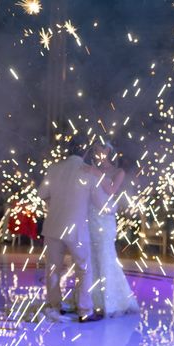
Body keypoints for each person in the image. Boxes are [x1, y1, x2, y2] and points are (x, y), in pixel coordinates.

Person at [38, 135, 108, 322]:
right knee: (83, 269)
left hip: (52, 227)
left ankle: (54, 306)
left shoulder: (53, 169)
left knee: (53, 269)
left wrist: (55, 205)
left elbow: (42, 194)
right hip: (76, 229)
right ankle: (85, 310)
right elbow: (102, 204)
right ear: (85, 151)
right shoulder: (88, 172)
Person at [84, 141, 140, 316]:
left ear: (108, 150)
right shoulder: (90, 168)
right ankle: (93, 300)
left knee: (106, 257)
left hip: (106, 221)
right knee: (92, 258)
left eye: (99, 149)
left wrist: (95, 172)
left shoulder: (118, 172)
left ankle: (114, 301)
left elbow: (111, 189)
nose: (96, 153)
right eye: (94, 150)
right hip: (90, 218)